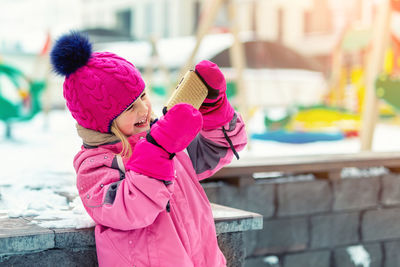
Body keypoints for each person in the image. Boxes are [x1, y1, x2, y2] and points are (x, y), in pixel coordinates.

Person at [50, 31, 247, 267]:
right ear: (104, 121)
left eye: (143, 95)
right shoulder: (96, 165)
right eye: (130, 107)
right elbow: (131, 208)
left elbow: (218, 150)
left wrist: (215, 109)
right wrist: (159, 148)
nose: (143, 109)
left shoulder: (161, 136)